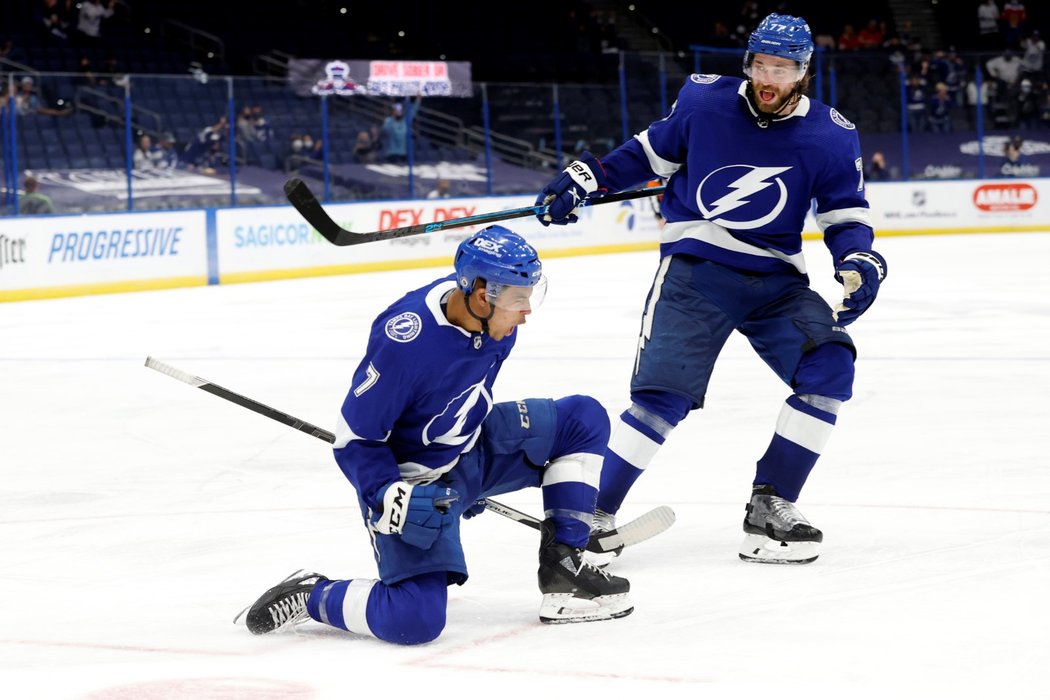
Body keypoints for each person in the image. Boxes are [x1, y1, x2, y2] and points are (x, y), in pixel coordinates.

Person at [534, 13, 887, 565]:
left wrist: (859, 257)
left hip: (775, 279)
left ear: (804, 73)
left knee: (830, 369)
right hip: (697, 269)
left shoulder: (830, 135)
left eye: (784, 67)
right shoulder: (704, 103)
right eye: (762, 64)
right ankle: (590, 517)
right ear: (748, 64)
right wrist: (589, 176)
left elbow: (844, 214)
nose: (770, 78)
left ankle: (771, 505)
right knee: (662, 397)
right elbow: (647, 156)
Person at [240, 227, 633, 643]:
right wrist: (389, 494)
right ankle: (312, 596)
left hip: (472, 447)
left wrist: (473, 482)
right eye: (519, 298)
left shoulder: (498, 321)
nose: (527, 310)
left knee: (582, 418)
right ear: (484, 297)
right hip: (414, 484)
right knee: (414, 619)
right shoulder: (405, 343)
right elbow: (355, 440)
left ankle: (564, 569)